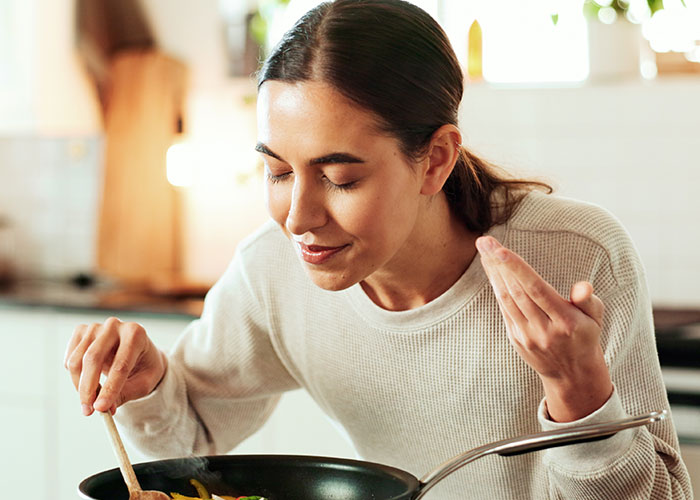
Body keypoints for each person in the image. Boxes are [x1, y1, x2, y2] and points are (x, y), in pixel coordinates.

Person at [64, 0, 692, 498]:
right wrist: (148, 383)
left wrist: (579, 393)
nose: (300, 218)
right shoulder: (271, 272)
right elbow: (192, 437)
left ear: (435, 160)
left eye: (341, 179)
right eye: (279, 172)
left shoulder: (576, 256)